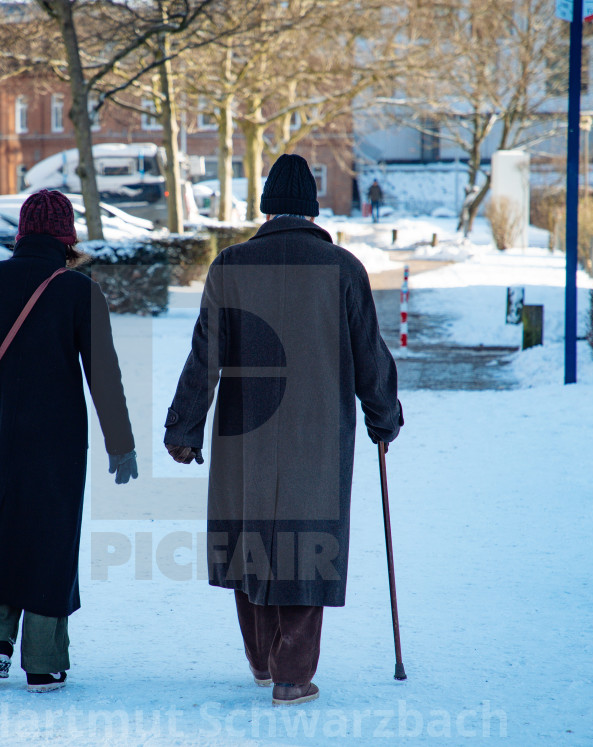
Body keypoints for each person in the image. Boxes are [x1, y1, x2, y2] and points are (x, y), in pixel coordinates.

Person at [164, 154, 403, 707]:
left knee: (250, 537)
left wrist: (185, 427)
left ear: (268, 206)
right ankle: (292, 674)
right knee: (307, 540)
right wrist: (383, 417)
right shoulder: (343, 268)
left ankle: (261, 659)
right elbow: (371, 356)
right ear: (312, 208)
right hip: (317, 436)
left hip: (244, 435)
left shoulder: (231, 266)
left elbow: (205, 354)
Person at [0, 189, 137, 693]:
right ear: (66, 236)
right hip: (57, 440)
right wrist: (120, 443)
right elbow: (105, 375)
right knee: (50, 541)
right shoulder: (79, 290)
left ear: (21, 232)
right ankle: (43, 660)